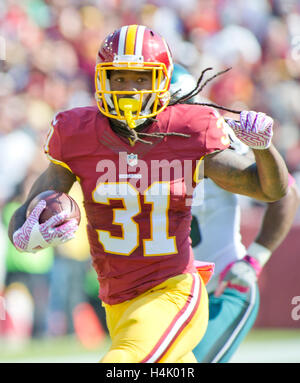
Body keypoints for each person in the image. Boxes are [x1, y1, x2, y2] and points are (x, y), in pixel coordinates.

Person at [8, 25, 289, 363]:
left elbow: (269, 189)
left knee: (121, 365)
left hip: (173, 291)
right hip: (118, 302)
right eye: (119, 78)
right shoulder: (76, 134)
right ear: (101, 80)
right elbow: (26, 212)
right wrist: (26, 235)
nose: (129, 89)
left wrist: (265, 149)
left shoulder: (188, 131)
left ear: (162, 82)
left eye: (141, 79)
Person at [171, 63, 300, 363]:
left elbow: (284, 194)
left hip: (220, 291)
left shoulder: (216, 138)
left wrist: (255, 258)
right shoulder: (136, 151)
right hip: (166, 298)